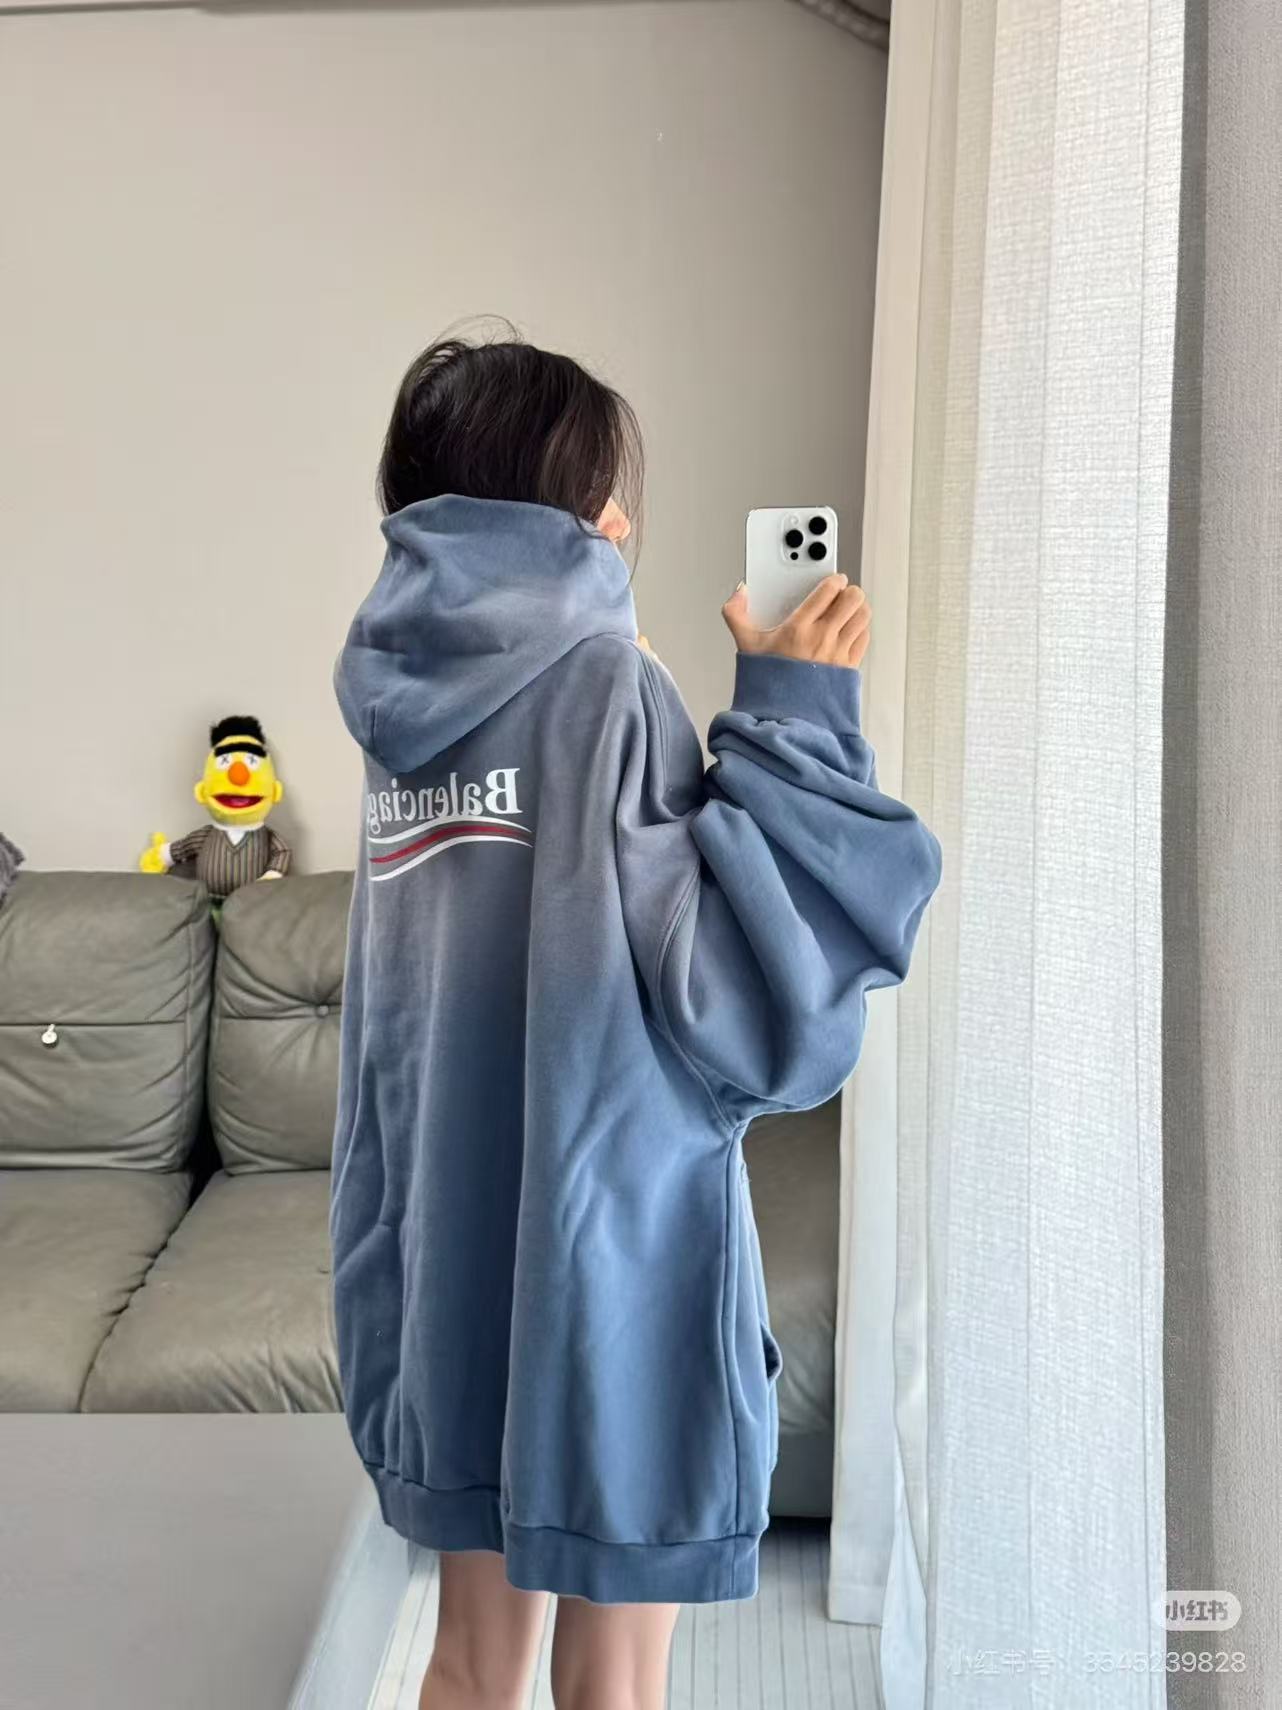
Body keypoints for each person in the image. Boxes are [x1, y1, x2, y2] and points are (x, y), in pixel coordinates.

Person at [329, 328, 942, 1710]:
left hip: (436, 1249)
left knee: (468, 1661)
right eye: (609, 487)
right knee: (612, 1682)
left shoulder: (393, 695)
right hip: (608, 1253)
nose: (622, 519)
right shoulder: (606, 682)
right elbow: (742, 1001)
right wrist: (793, 709)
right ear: (574, 506)